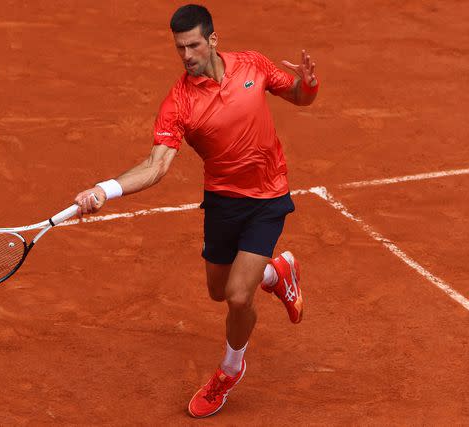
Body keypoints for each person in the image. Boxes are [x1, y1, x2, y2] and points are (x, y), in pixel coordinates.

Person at [73, 4, 319, 418]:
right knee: (218, 291)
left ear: (212, 41)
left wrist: (309, 85)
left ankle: (229, 369)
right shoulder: (179, 103)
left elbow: (298, 95)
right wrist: (104, 189)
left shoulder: (252, 65)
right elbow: (156, 166)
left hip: (268, 195)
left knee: (239, 297)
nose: (186, 55)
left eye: (193, 45)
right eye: (179, 48)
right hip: (222, 201)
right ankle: (278, 273)